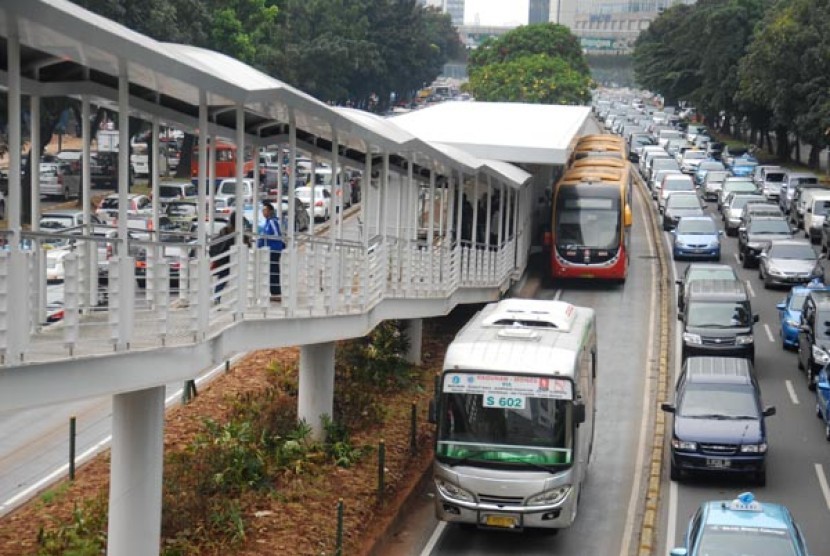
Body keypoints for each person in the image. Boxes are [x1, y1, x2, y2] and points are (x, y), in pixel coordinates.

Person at [258, 201, 285, 299]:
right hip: (269, 249)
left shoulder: (272, 221)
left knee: (274, 270)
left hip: (274, 249)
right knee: (271, 270)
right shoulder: (267, 222)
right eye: (262, 210)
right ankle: (274, 292)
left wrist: (264, 238)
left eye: (265, 210)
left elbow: (277, 235)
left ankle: (276, 292)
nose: (263, 212)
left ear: (270, 211)